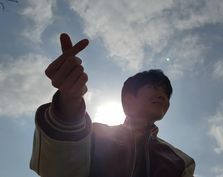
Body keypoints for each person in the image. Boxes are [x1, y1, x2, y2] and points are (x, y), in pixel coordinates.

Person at [30, 33, 195, 177]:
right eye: (155, 87)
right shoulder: (93, 135)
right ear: (129, 99)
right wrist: (69, 101)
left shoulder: (181, 161)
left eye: (166, 94)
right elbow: (58, 171)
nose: (162, 96)